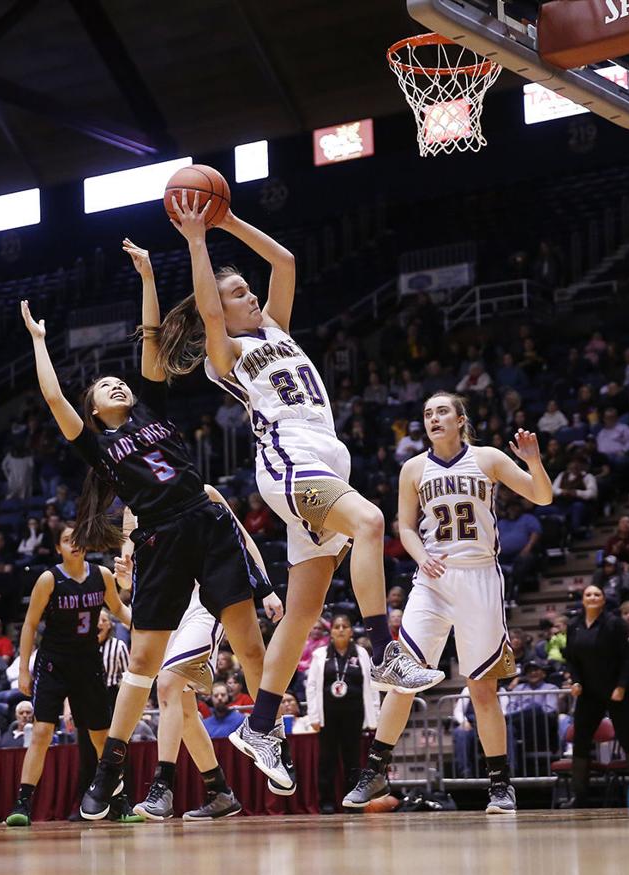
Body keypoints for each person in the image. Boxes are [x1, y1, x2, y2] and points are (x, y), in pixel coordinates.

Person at [163, 196, 441, 795]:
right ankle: (385, 649)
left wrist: (228, 220)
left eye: (246, 290)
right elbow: (211, 314)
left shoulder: (277, 331)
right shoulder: (227, 353)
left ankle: (260, 726)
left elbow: (284, 261)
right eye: (238, 294)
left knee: (304, 612)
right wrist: (196, 242)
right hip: (289, 456)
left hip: (326, 454)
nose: (250, 297)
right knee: (370, 522)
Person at [20, 241, 271, 822]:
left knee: (249, 640)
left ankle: (267, 732)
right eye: (104, 387)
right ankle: (111, 767)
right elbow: (54, 395)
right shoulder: (95, 444)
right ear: (93, 407)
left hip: (203, 520)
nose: (116, 386)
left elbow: (151, 335)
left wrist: (150, 274)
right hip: (159, 536)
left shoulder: (153, 405)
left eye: (118, 382)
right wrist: (39, 343)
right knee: (144, 663)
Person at [343, 392, 553, 815]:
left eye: (442, 411)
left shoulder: (489, 458)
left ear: (460, 420)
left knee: (482, 688)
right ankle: (376, 770)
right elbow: (405, 527)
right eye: (427, 413)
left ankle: (500, 785)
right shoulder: (413, 468)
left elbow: (542, 497)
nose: (434, 418)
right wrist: (422, 558)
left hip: (479, 577)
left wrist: (533, 460)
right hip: (432, 579)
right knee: (404, 678)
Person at [125, 485, 286, 820]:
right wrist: (126, 579)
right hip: (164, 607)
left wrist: (266, 588)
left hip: (204, 600)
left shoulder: (202, 492)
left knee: (167, 686)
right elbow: (132, 571)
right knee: (182, 709)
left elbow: (241, 539)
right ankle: (219, 791)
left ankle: (162, 787)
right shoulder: (134, 506)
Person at [4, 525, 133, 826]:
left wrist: (143, 625)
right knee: (41, 733)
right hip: (53, 664)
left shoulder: (101, 575)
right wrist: (23, 669)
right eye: (65, 540)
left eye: (77, 539)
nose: (73, 544)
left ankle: (120, 801)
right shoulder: (49, 579)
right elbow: (29, 625)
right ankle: (22, 804)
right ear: (58, 548)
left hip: (88, 662)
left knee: (102, 737)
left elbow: (118, 609)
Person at [558, 585, 629, 807]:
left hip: (616, 691)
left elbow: (628, 657)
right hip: (589, 693)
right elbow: (571, 658)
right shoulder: (574, 625)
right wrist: (576, 681)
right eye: (588, 594)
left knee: (627, 739)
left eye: (597, 594)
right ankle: (579, 797)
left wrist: (622, 685)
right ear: (583, 600)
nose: (592, 597)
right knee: (580, 741)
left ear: (604, 600)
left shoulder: (614, 623)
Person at [306, 613, 380, 813]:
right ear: (331, 632)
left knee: (353, 760)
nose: (340, 629)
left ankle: (352, 801)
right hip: (327, 716)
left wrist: (375, 714)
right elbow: (311, 686)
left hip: (354, 715)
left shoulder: (361, 653)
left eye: (344, 626)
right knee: (326, 760)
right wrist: (313, 716)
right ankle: (327, 802)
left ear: (351, 632)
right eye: (336, 626)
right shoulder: (320, 654)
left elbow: (371, 685)